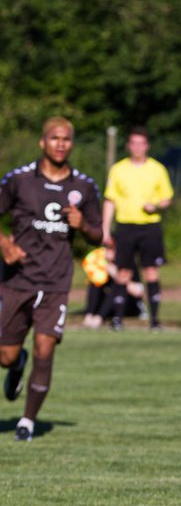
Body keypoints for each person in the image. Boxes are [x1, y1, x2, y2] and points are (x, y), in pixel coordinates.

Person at [0, 117, 104, 441]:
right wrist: (5, 244)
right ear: (42, 142)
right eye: (54, 138)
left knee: (46, 349)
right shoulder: (19, 181)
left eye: (67, 139)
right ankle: (17, 366)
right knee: (6, 356)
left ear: (72, 144)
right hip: (17, 279)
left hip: (56, 282)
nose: (61, 144)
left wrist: (82, 225)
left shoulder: (83, 187)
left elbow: (98, 236)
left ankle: (27, 422)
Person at [103, 126, 174, 331]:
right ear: (128, 146)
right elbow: (110, 200)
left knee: (151, 271)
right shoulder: (118, 169)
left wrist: (157, 206)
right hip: (125, 225)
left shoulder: (157, 169)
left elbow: (167, 198)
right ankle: (117, 320)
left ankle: (154, 320)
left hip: (149, 226)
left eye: (141, 143)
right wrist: (106, 230)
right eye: (133, 143)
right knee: (123, 272)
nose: (137, 147)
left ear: (147, 146)